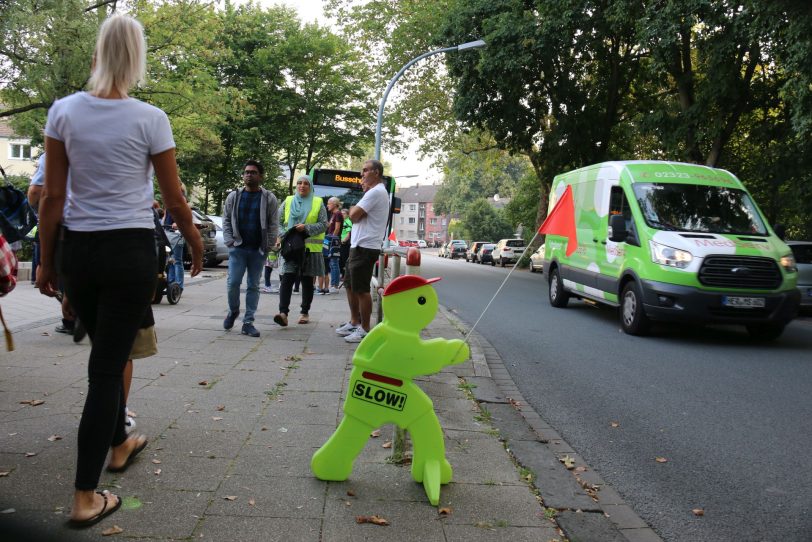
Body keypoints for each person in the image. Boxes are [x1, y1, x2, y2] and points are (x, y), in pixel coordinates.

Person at [36, 14, 203, 528]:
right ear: (137, 57)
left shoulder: (63, 112)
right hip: (130, 253)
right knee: (106, 369)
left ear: (98, 52)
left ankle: (120, 440)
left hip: (79, 254)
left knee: (104, 356)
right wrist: (194, 242)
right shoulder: (150, 118)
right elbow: (173, 198)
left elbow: (52, 197)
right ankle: (86, 495)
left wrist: (46, 260)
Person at [222, 160, 279, 337]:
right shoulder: (234, 196)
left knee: (253, 285)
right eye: (246, 172)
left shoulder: (268, 198)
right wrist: (230, 241)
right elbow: (226, 220)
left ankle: (248, 322)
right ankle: (233, 311)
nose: (249, 175)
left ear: (260, 176)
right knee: (233, 283)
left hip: (257, 250)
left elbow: (273, 224)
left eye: (253, 172)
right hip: (237, 248)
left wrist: (268, 246)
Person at [336, 160, 390, 343]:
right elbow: (356, 215)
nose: (362, 175)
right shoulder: (372, 192)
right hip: (358, 245)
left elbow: (352, 215)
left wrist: (354, 210)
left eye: (365, 171)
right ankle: (354, 321)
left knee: (361, 289)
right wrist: (357, 212)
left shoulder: (376, 192)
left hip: (365, 247)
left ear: (376, 172)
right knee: (350, 285)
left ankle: (365, 328)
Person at [273, 176, 327, 326]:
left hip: (310, 249)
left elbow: (324, 224)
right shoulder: (288, 200)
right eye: (299, 183)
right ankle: (283, 313)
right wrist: (285, 233)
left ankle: (305, 312)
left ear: (310, 187)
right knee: (287, 279)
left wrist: (306, 228)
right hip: (290, 248)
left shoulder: (318, 202)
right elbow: (276, 222)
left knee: (307, 281)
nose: (302, 186)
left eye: (305, 184)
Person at [162, 184, 188, 290]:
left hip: (177, 233)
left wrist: (177, 222)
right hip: (168, 230)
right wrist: (162, 224)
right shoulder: (169, 196)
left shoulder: (181, 198)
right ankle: (171, 283)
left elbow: (184, 213)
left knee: (177, 260)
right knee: (170, 260)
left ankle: (179, 285)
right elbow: (165, 214)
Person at [326, 196, 343, 293]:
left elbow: (336, 229)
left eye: (329, 203)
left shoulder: (338, 214)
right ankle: (333, 284)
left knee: (334, 263)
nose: (327, 205)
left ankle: (334, 286)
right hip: (332, 240)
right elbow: (330, 226)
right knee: (332, 263)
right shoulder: (333, 214)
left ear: (334, 204)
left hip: (334, 241)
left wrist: (332, 241)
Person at [339, 207, 352, 281]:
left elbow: (349, 233)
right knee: (341, 260)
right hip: (341, 242)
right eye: (341, 214)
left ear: (347, 214)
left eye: (343, 214)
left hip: (345, 243)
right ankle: (343, 275)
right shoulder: (343, 221)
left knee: (344, 259)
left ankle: (345, 276)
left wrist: (343, 241)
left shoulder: (347, 222)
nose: (342, 215)